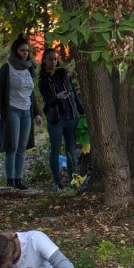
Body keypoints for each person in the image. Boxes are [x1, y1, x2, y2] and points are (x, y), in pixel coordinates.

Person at [0, 34, 43, 190]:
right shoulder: (7, 68)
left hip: (26, 111)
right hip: (12, 110)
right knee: (12, 146)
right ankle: (10, 180)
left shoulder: (28, 68)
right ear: (15, 51)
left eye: (27, 51)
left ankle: (19, 179)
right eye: (22, 50)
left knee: (22, 147)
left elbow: (31, 93)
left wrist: (36, 113)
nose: (25, 53)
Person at [38, 48, 85, 190]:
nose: (53, 61)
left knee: (71, 150)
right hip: (56, 119)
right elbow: (47, 101)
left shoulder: (64, 75)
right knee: (56, 150)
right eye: (50, 59)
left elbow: (74, 94)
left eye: (55, 59)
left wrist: (81, 110)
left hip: (71, 116)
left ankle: (73, 180)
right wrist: (57, 97)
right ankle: (57, 182)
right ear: (44, 61)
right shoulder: (43, 80)